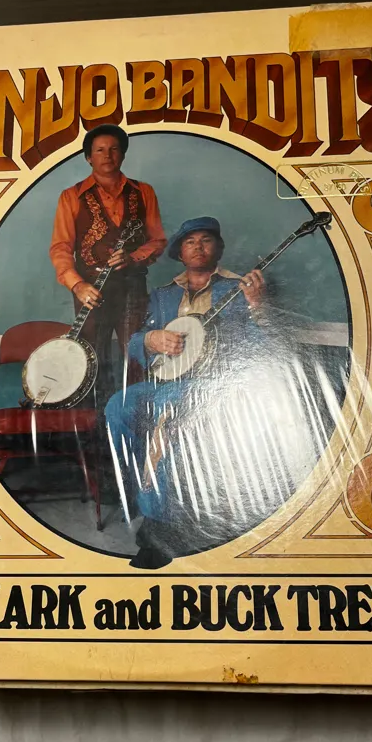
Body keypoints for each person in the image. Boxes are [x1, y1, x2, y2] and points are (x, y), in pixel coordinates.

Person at [104, 217, 270, 568]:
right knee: (118, 406)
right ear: (179, 253)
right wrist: (152, 339)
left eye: (206, 240)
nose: (198, 246)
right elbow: (135, 344)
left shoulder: (238, 288)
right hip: (167, 379)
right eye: (189, 241)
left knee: (167, 411)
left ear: (218, 248)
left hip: (214, 384)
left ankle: (159, 528)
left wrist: (257, 306)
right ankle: (137, 489)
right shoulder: (163, 295)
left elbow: (263, 348)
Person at [49, 124, 166, 396]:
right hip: (90, 290)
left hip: (133, 288)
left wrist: (133, 257)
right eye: (100, 150)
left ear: (123, 154)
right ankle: (97, 419)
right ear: (88, 157)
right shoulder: (71, 196)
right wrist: (77, 285)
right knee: (90, 357)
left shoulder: (144, 191)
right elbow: (60, 248)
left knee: (137, 353)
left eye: (114, 149)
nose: (108, 155)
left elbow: (158, 240)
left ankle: (138, 414)